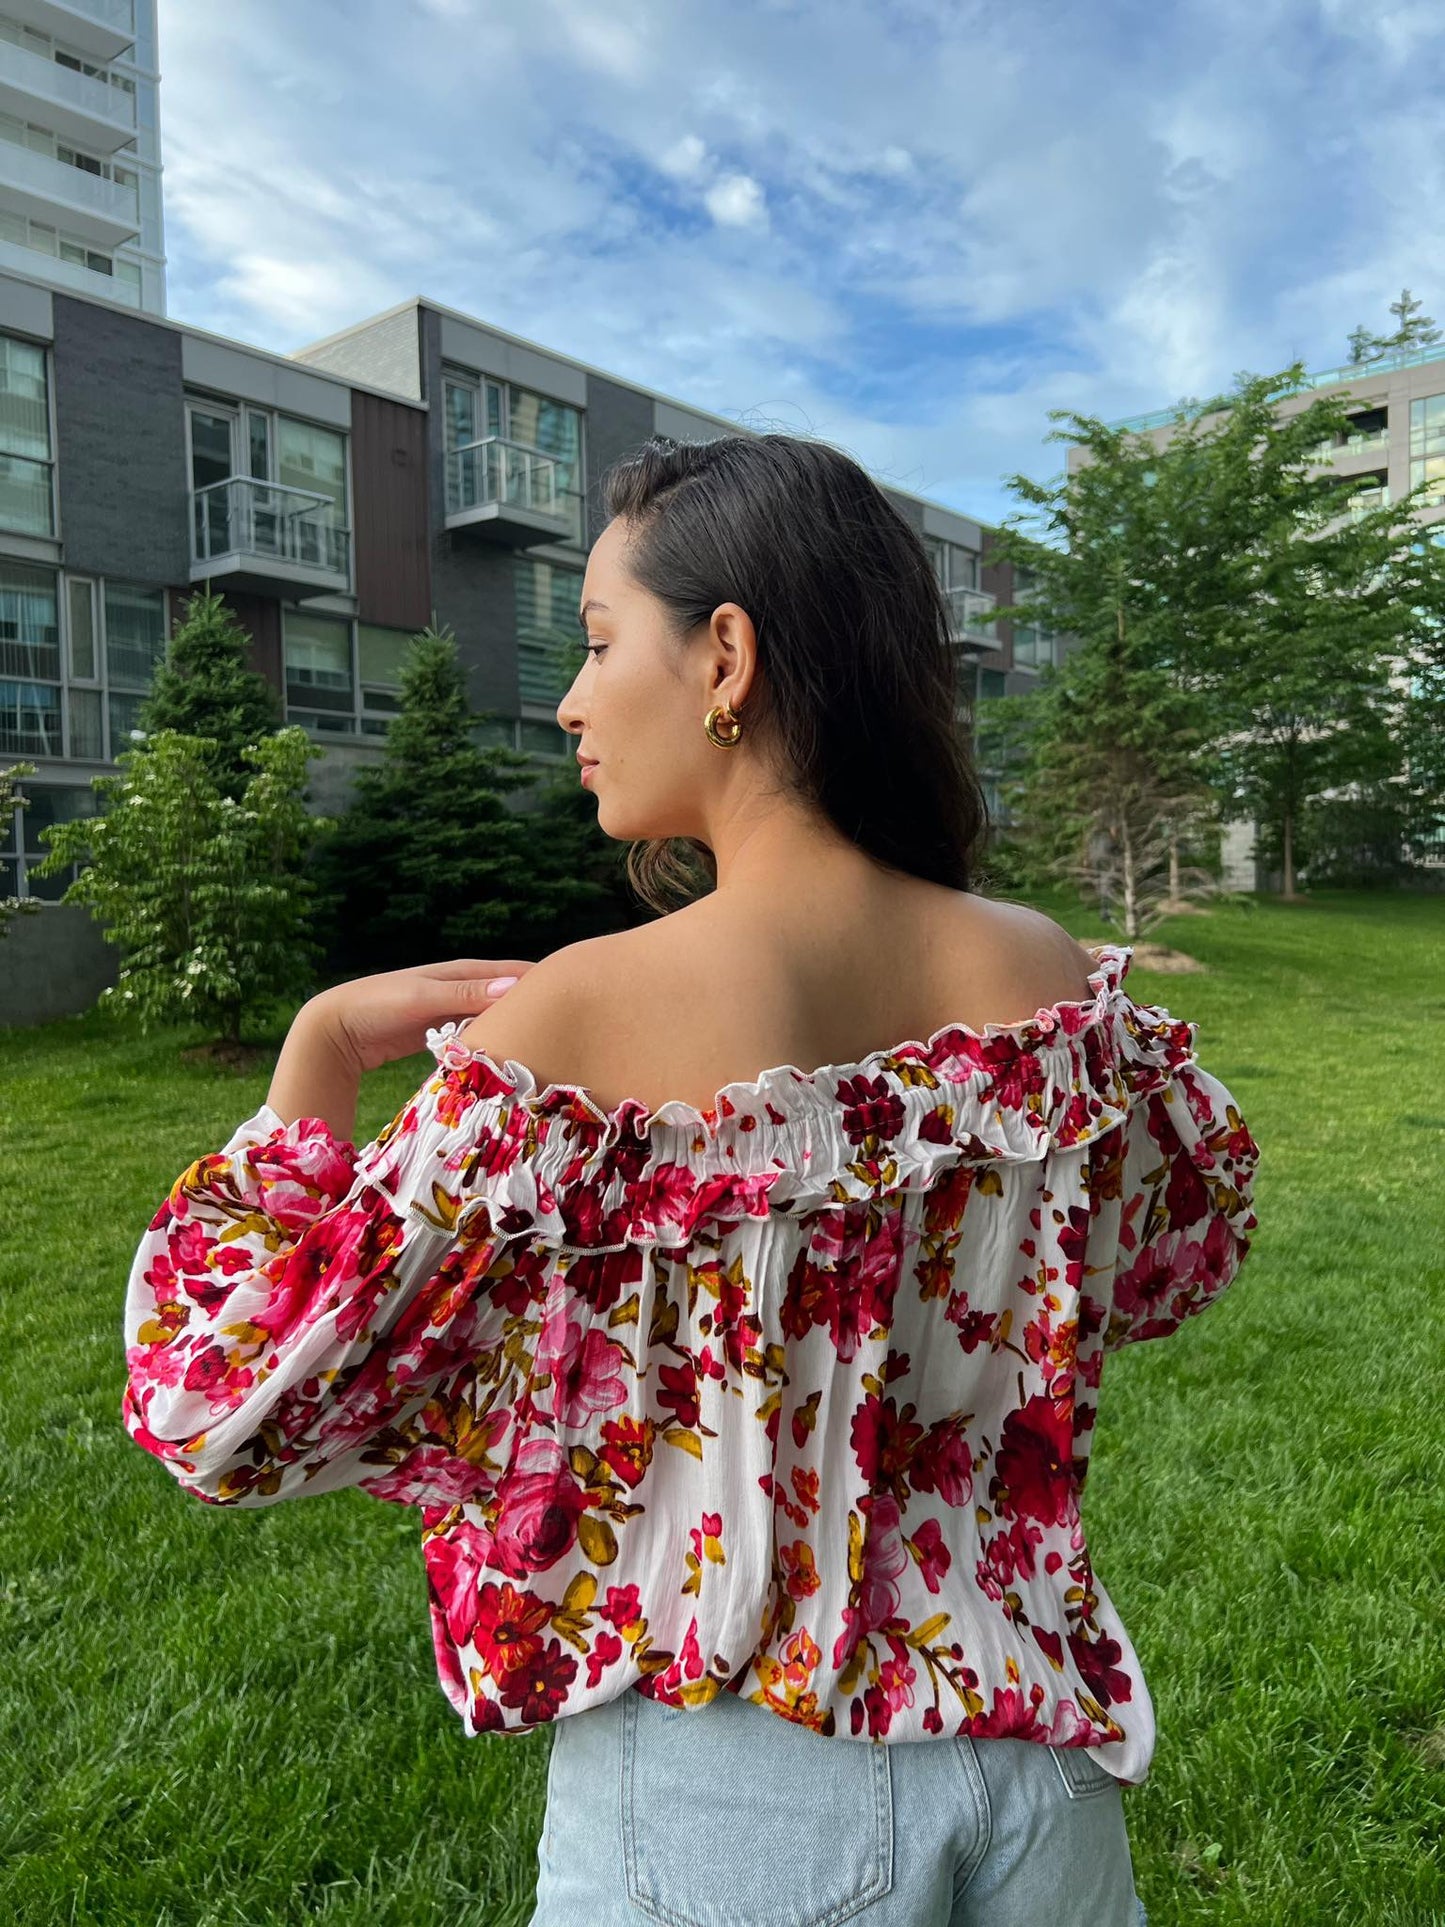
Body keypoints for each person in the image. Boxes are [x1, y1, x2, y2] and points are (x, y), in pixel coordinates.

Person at [121, 434, 1260, 1927]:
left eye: (598, 642)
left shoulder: (574, 1028)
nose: (569, 698)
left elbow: (228, 1403)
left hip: (736, 1803)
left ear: (725, 654)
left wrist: (318, 1054)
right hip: (1036, 1767)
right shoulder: (1046, 978)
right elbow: (1178, 1253)